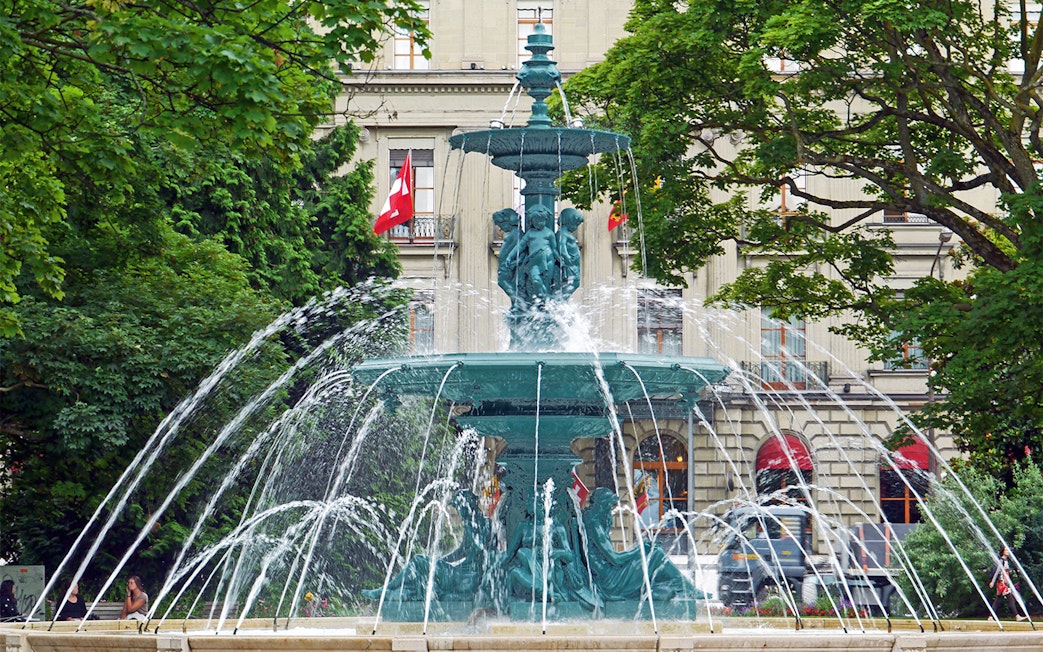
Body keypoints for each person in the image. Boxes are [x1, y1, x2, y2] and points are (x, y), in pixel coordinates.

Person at [988, 546, 1028, 621]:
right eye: (1006, 550)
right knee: (1010, 599)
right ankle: (1017, 616)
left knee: (997, 600)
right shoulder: (1001, 560)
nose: (1008, 551)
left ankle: (990, 617)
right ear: (1003, 551)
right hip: (1001, 583)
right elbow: (997, 572)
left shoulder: (1005, 560)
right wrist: (993, 582)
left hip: (1003, 583)